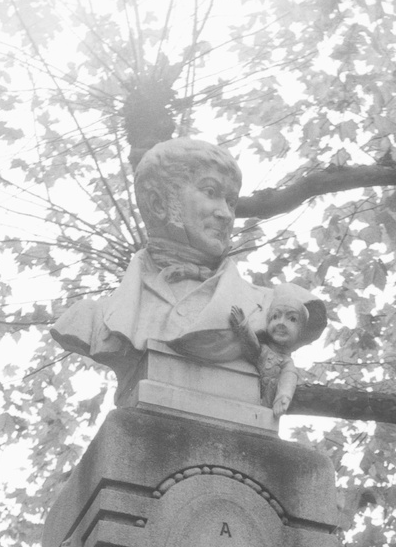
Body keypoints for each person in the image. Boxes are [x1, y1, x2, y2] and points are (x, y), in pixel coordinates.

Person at [50, 138, 268, 397]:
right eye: (210, 192)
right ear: (158, 203)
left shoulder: (270, 308)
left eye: (231, 201)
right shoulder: (92, 318)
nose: (226, 214)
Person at [228, 284, 327, 418]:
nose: (281, 323)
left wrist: (283, 397)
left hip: (267, 411)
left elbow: (289, 378)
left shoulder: (286, 362)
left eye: (292, 319)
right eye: (275, 317)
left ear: (301, 331)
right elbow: (252, 349)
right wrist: (243, 325)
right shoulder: (263, 350)